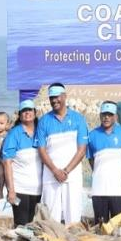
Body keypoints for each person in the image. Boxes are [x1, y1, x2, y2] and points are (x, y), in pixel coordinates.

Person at [36, 84, 89, 224]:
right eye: (51, 97)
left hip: (72, 175)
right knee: (51, 219)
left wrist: (66, 171)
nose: (54, 100)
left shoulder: (78, 119)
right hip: (50, 176)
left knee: (73, 218)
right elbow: (42, 150)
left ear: (65, 96)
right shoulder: (44, 121)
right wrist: (55, 170)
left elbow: (82, 149)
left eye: (57, 97)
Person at [1, 100, 42, 226]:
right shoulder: (14, 134)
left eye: (30, 110)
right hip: (20, 189)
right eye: (24, 110)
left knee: (31, 225)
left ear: (35, 113)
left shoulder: (41, 132)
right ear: (19, 114)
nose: (27, 112)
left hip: (37, 190)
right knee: (21, 226)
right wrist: (11, 190)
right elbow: (7, 163)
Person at [87, 101, 121, 222]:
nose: (106, 117)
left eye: (110, 114)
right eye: (104, 114)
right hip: (99, 190)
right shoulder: (92, 135)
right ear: (100, 115)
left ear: (115, 116)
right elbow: (91, 160)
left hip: (118, 190)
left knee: (119, 228)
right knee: (101, 228)